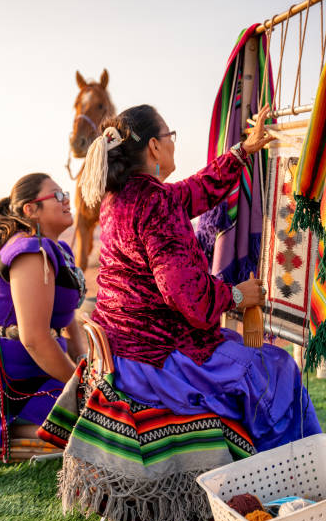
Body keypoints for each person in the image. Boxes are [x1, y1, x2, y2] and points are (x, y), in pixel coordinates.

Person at [79, 103, 322, 453]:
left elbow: (195, 191)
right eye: (170, 136)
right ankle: (294, 471)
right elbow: (186, 297)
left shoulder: (122, 197)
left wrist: (242, 152)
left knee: (252, 358)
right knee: (277, 370)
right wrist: (237, 296)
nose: (174, 143)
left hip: (126, 353)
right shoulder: (155, 202)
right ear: (154, 147)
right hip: (158, 362)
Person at [0, 173, 87, 465]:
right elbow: (35, 339)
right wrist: (81, 385)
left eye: (65, 193)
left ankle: (2, 428)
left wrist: (86, 369)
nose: (66, 200)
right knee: (96, 422)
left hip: (30, 374)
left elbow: (68, 321)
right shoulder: (29, 252)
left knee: (106, 409)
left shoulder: (59, 250)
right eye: (57, 196)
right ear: (31, 210)